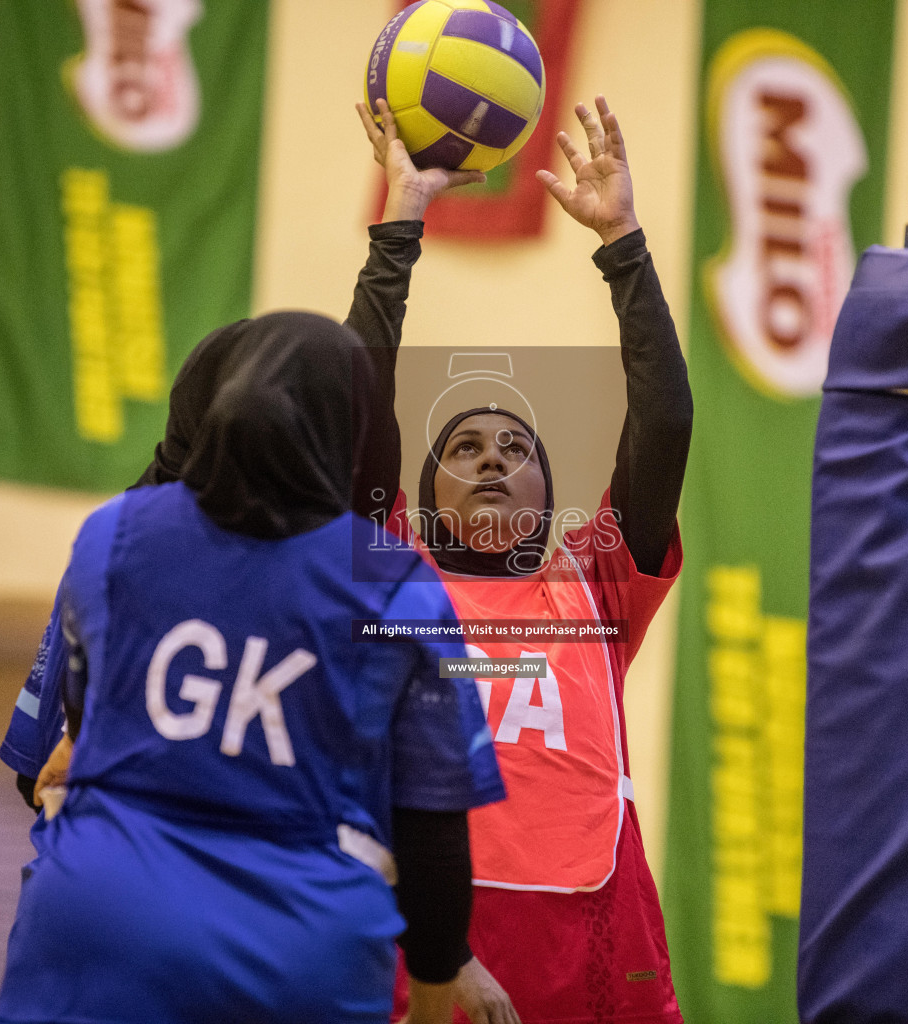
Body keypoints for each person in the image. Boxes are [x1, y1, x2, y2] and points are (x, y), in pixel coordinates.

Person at [0, 312, 505, 1024]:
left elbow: (81, 722)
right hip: (297, 950)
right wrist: (431, 998)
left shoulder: (113, 532)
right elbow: (433, 832)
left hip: (96, 924)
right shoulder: (394, 580)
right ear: (349, 431)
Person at [349, 95, 693, 1024]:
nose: (494, 458)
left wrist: (622, 240)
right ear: (417, 496)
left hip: (589, 954)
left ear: (552, 499)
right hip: (408, 952)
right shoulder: (386, 570)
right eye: (465, 449)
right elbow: (352, 401)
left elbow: (663, 422)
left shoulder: (597, 581)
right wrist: (402, 221)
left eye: (517, 449)